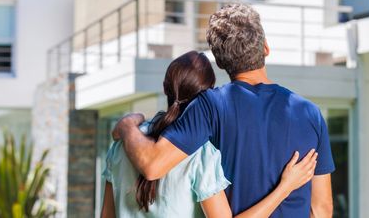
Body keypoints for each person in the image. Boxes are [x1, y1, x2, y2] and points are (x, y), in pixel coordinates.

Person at [113, 4, 335, 217]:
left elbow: (152, 166)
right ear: (266, 48)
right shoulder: (310, 113)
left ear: (219, 62)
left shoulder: (209, 106)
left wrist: (126, 126)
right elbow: (322, 209)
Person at [101, 51, 318, 217]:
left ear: (165, 87)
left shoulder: (120, 147)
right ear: (206, 95)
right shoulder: (201, 155)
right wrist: (285, 186)